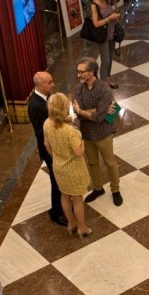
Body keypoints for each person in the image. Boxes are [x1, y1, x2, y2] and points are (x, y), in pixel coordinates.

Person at [72, 57, 123, 206]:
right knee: (92, 163)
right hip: (86, 133)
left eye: (82, 72)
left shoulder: (104, 89)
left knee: (110, 163)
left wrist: (83, 111)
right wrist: (93, 111)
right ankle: (97, 188)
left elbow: (99, 118)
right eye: (78, 72)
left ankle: (115, 190)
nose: (79, 75)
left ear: (92, 72)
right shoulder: (77, 89)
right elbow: (77, 113)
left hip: (103, 134)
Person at [43, 92, 92, 238]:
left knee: (64, 195)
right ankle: (82, 228)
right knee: (77, 199)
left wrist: (57, 157)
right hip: (74, 169)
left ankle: (71, 223)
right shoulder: (70, 131)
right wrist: (82, 142)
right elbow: (79, 152)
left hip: (58, 167)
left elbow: (46, 144)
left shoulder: (46, 123)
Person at [28, 71, 67, 226]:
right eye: (50, 82)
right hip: (50, 151)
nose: (53, 84)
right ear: (41, 85)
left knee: (58, 180)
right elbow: (41, 133)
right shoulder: (36, 105)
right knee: (56, 181)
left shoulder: (45, 99)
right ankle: (56, 212)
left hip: (54, 148)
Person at [91, 0, 121, 89]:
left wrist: (115, 17)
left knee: (110, 59)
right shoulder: (94, 6)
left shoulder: (106, 1)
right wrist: (109, 18)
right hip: (102, 36)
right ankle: (102, 85)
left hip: (111, 34)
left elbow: (110, 13)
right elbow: (96, 23)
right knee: (105, 60)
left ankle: (108, 81)